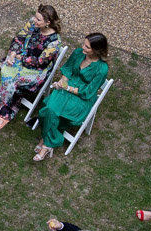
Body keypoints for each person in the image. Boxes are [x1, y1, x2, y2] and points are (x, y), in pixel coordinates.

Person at [0, 5, 62, 131]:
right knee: (5, 69)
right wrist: (13, 53)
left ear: (48, 22)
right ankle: (1, 108)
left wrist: (20, 58)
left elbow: (41, 61)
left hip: (36, 70)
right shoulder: (32, 23)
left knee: (8, 78)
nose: (35, 20)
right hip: (20, 58)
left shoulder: (54, 42)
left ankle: (4, 113)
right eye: (35, 16)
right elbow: (19, 38)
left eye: (39, 19)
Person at [33, 33, 109, 161]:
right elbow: (67, 71)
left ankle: (45, 144)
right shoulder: (79, 53)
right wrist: (62, 82)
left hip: (81, 97)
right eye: (84, 44)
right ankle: (51, 139)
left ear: (97, 50)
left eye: (87, 47)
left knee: (52, 111)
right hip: (67, 87)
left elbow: (88, 92)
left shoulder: (102, 68)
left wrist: (67, 88)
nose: (83, 47)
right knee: (49, 110)